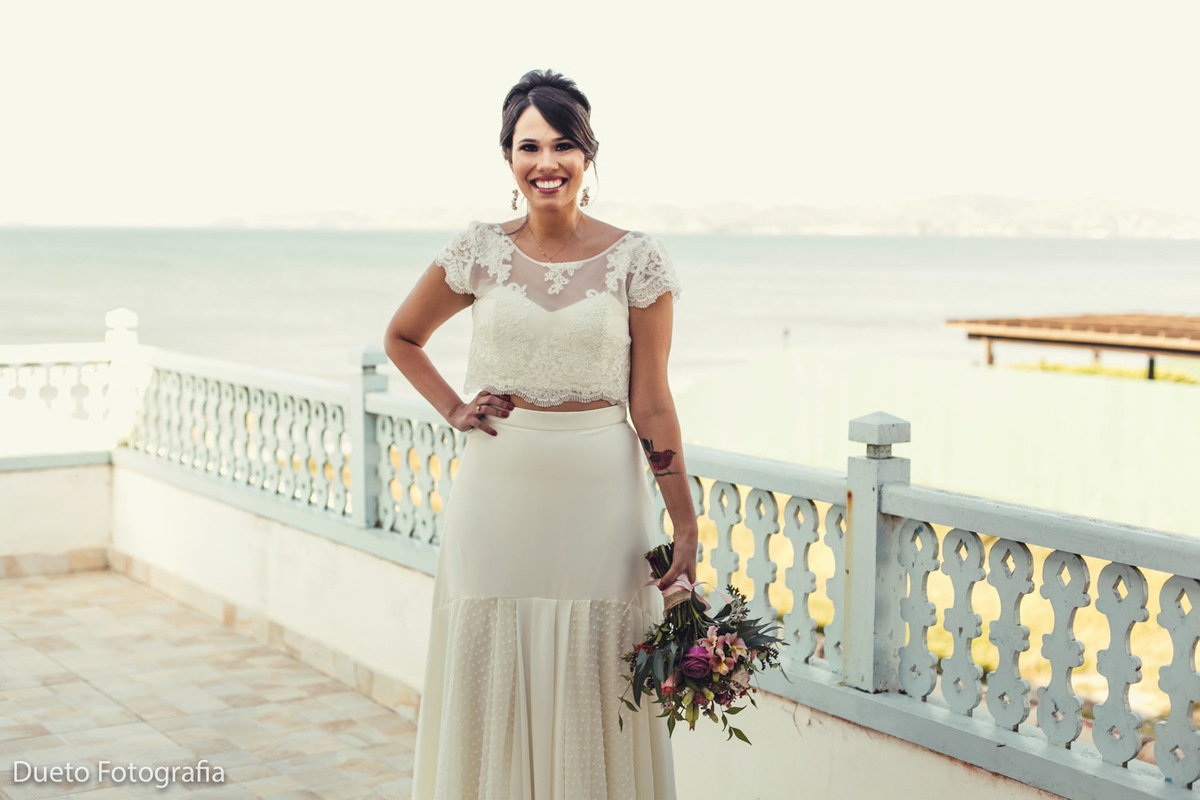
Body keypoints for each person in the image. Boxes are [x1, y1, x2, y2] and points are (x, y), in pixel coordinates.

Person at [383, 67, 698, 800]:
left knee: (600, 662)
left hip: (601, 492)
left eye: (563, 145)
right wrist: (455, 408)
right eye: (529, 147)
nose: (546, 163)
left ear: (588, 157)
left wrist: (683, 520)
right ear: (508, 158)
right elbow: (403, 337)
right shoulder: (478, 251)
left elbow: (651, 399)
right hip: (497, 490)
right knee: (490, 660)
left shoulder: (637, 259)